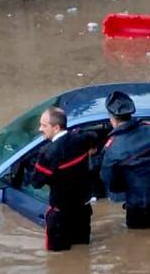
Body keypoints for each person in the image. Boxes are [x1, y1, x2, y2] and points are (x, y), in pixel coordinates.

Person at [100, 91, 150, 229]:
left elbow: (110, 182)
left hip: (138, 203)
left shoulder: (112, 148)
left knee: (138, 241)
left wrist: (126, 185)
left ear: (112, 118)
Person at [28, 106, 98, 252]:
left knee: (56, 261)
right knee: (83, 255)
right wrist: (92, 150)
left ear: (56, 127)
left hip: (60, 218)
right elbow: (94, 137)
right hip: (83, 212)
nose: (40, 129)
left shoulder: (47, 153)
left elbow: (36, 183)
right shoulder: (81, 138)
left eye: (44, 125)